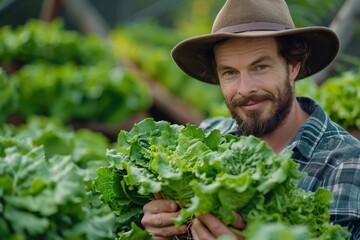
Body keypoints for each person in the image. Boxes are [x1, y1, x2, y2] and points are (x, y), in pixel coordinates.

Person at [140, 0, 360, 239]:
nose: (244, 89)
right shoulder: (207, 138)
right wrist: (163, 224)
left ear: (293, 66)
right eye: (230, 72)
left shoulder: (346, 163)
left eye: (261, 67)